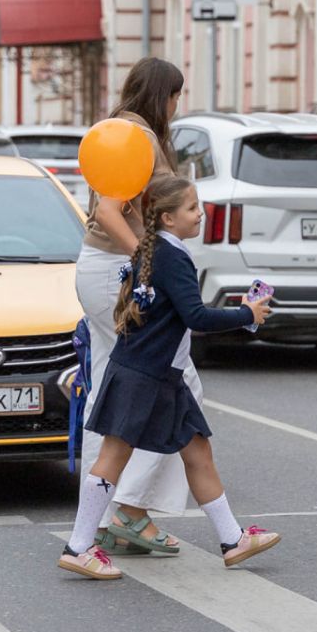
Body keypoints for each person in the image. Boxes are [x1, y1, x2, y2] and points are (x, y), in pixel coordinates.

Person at [58, 175, 278, 579]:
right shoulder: (171, 257)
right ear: (167, 218)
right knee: (113, 457)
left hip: (160, 375)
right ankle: (78, 546)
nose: (201, 214)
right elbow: (196, 316)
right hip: (144, 376)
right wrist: (247, 313)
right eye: (192, 208)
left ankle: (233, 539)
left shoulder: (156, 250)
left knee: (198, 452)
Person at [74, 56, 193, 554]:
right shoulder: (136, 136)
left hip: (99, 270)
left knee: (110, 394)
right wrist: (149, 261)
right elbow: (109, 209)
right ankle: (130, 508)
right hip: (116, 272)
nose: (177, 105)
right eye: (175, 96)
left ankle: (101, 519)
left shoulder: (119, 129)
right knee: (175, 386)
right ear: (163, 95)